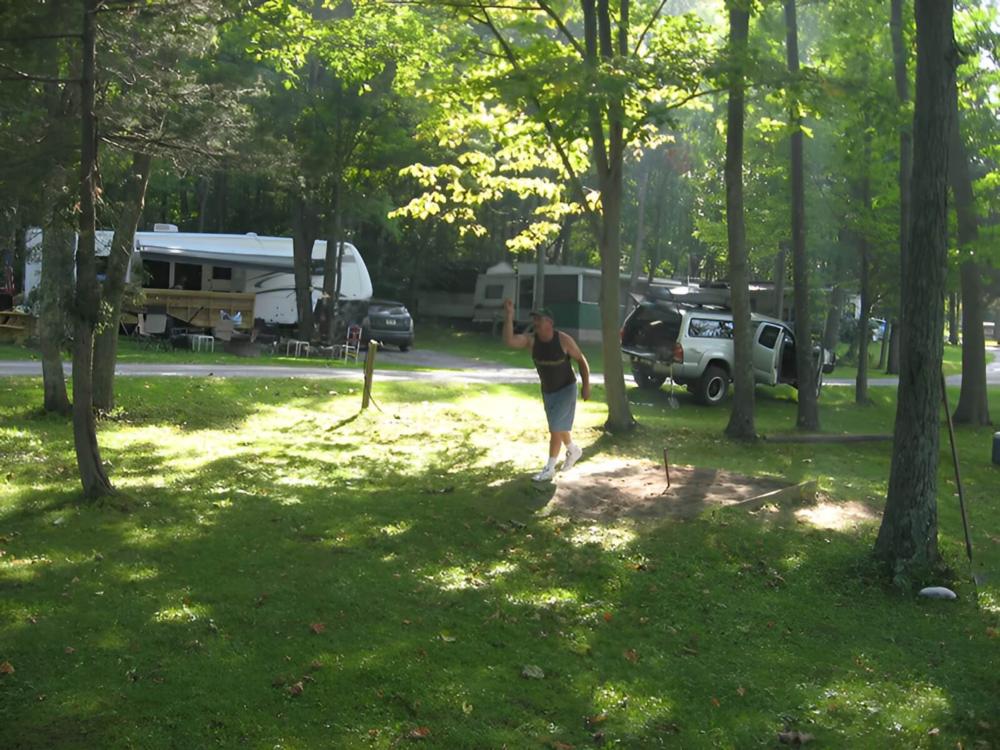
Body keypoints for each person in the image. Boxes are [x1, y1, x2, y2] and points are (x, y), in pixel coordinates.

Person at [503, 298, 590, 481]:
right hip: (548, 390)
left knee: (555, 428)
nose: (535, 323)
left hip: (567, 387)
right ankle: (573, 450)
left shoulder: (564, 340)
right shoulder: (532, 341)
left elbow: (581, 360)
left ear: (549, 323)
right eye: (534, 320)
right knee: (559, 427)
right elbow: (510, 341)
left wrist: (586, 387)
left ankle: (549, 468)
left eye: (539, 320)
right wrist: (509, 315)